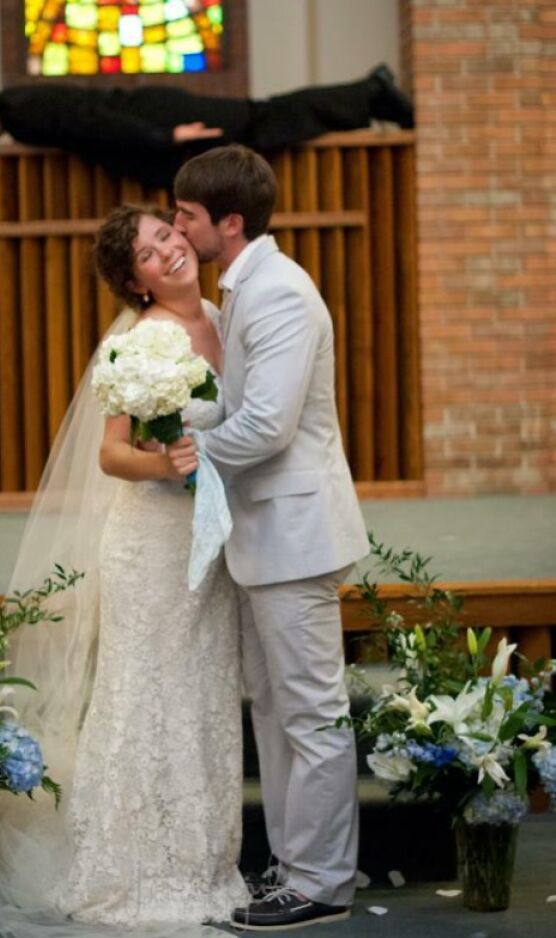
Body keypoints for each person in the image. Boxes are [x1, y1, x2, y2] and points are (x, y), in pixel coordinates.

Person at [0, 206, 248, 937]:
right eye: (149, 253)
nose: (169, 250)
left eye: (167, 235)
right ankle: (131, 870)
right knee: (147, 695)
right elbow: (112, 455)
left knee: (204, 692)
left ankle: (205, 862)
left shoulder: (220, 311)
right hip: (149, 541)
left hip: (209, 540)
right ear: (135, 282)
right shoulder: (142, 342)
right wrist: (166, 462)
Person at [167, 144, 370, 931]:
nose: (180, 231)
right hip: (265, 533)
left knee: (311, 713)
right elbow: (239, 408)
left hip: (295, 533)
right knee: (274, 713)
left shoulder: (280, 293)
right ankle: (294, 866)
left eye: (187, 217)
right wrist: (177, 422)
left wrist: (188, 456)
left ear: (230, 220)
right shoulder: (248, 286)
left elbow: (269, 425)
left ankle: (322, 882)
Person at [0, 65, 413, 188]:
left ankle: (370, 94)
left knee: (264, 121)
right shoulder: (20, 104)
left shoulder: (21, 113)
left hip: (161, 121)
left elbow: (95, 123)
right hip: (156, 118)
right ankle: (367, 96)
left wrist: (166, 137)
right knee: (264, 119)